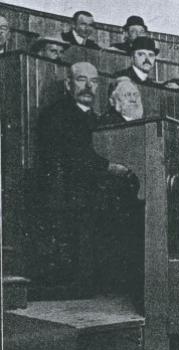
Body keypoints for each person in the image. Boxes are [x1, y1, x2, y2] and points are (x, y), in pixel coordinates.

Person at [35, 62, 134, 291]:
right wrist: (109, 167)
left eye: (94, 81)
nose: (89, 86)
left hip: (93, 196)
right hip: (67, 197)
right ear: (69, 84)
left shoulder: (96, 118)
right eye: (82, 80)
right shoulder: (55, 114)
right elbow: (73, 155)